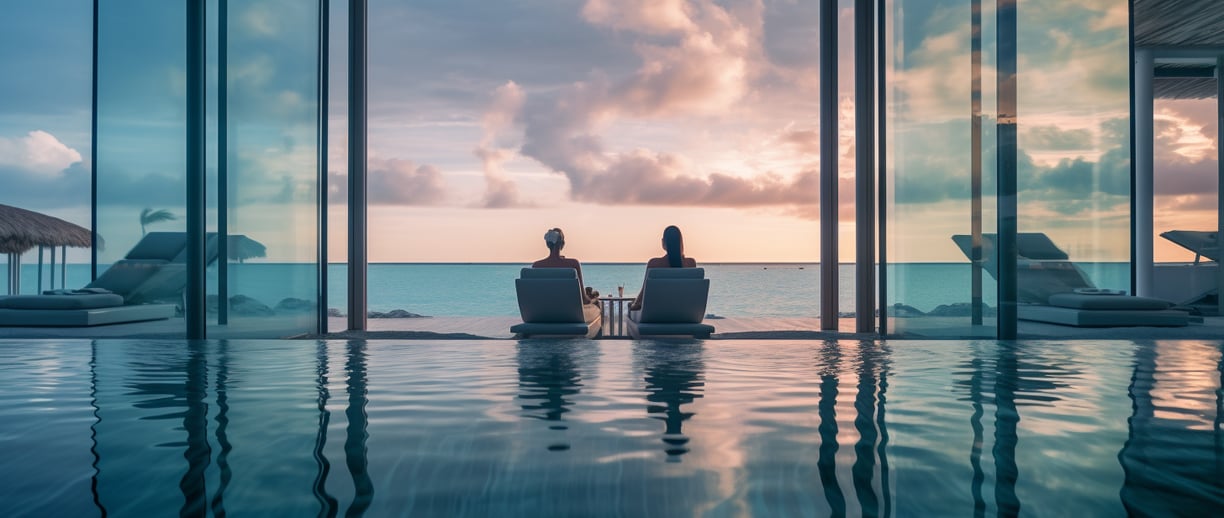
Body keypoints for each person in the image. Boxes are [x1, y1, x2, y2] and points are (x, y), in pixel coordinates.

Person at [629, 225, 697, 310]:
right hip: (685, 313)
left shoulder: (654, 263)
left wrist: (634, 304)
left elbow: (644, 292)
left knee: (631, 308)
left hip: (657, 314)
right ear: (681, 243)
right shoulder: (691, 263)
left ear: (664, 243)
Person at [532, 228, 600, 305]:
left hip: (543, 312)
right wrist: (592, 300)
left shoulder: (536, 266)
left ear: (547, 244)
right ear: (562, 244)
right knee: (596, 303)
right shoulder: (573, 264)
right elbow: (583, 299)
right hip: (571, 314)